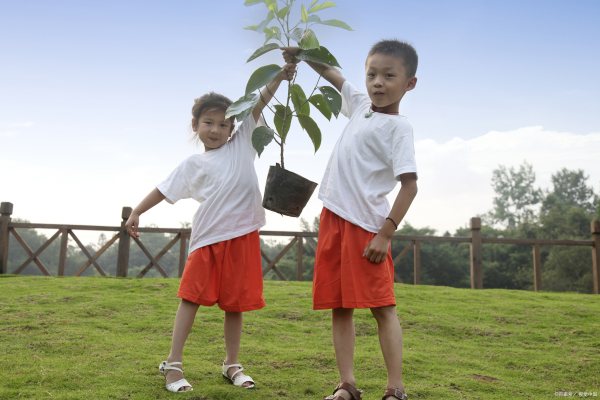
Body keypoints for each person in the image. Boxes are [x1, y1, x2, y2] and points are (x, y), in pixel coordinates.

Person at [125, 63, 296, 393]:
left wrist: (281, 74)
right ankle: (173, 365)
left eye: (223, 123)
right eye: (208, 123)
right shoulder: (193, 164)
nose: (216, 129)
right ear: (196, 125)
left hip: (243, 235)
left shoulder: (243, 141)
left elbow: (260, 100)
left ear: (233, 126)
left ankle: (232, 364)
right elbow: (164, 188)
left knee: (236, 304)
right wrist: (136, 211)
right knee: (191, 298)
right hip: (208, 238)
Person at [283, 40, 418, 400]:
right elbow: (332, 74)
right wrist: (302, 53)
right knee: (339, 307)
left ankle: (395, 389)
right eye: (372, 74)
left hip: (368, 228)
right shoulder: (359, 106)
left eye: (389, 76)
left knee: (382, 308)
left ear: (409, 83)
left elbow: (410, 186)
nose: (377, 82)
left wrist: (385, 234)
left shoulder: (400, 129)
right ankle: (347, 385)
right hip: (333, 220)